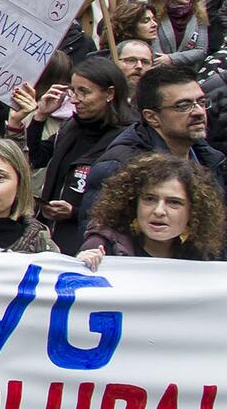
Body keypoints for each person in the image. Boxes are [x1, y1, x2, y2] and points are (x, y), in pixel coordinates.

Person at [12, 55, 134, 254]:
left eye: (84, 92)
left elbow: (125, 203)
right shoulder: (71, 127)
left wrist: (75, 213)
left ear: (110, 93)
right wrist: (40, 116)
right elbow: (37, 158)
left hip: (91, 244)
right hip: (51, 237)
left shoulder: (129, 137)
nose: (75, 100)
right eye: (73, 91)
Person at [84, 63, 227, 215]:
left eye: (201, 102)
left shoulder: (211, 159)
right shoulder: (121, 167)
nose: (199, 112)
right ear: (152, 117)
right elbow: (100, 233)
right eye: (183, 106)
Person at [80, 153, 225, 264]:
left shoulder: (202, 256)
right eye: (150, 199)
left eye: (174, 202)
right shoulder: (103, 245)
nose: (159, 211)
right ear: (133, 203)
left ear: (193, 211)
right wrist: (79, 265)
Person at [149, 0, 209, 66]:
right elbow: (154, 48)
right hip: (158, 71)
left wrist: (171, 59)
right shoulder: (155, 13)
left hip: (187, 74)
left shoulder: (199, 15)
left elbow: (201, 50)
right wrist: (162, 62)